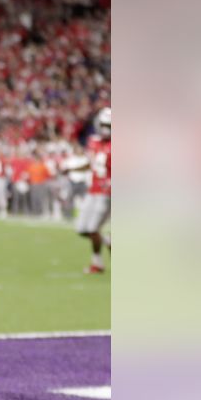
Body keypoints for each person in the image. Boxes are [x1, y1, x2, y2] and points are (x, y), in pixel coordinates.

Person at [77, 107, 111, 274]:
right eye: (104, 124)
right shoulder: (93, 141)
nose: (106, 129)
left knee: (92, 228)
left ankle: (97, 263)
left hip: (107, 194)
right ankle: (108, 241)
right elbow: (91, 163)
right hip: (93, 190)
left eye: (109, 125)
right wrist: (73, 169)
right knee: (82, 229)